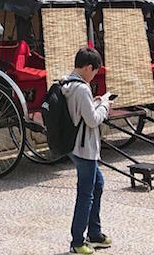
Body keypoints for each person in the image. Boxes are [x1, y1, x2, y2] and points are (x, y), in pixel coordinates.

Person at [63, 47, 115, 254]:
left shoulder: (66, 82)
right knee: (86, 194)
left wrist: (95, 102)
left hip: (73, 145)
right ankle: (77, 241)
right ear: (87, 67)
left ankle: (95, 233)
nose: (94, 75)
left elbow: (79, 111)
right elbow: (92, 120)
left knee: (98, 185)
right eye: (94, 71)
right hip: (85, 147)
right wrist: (105, 106)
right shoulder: (82, 88)